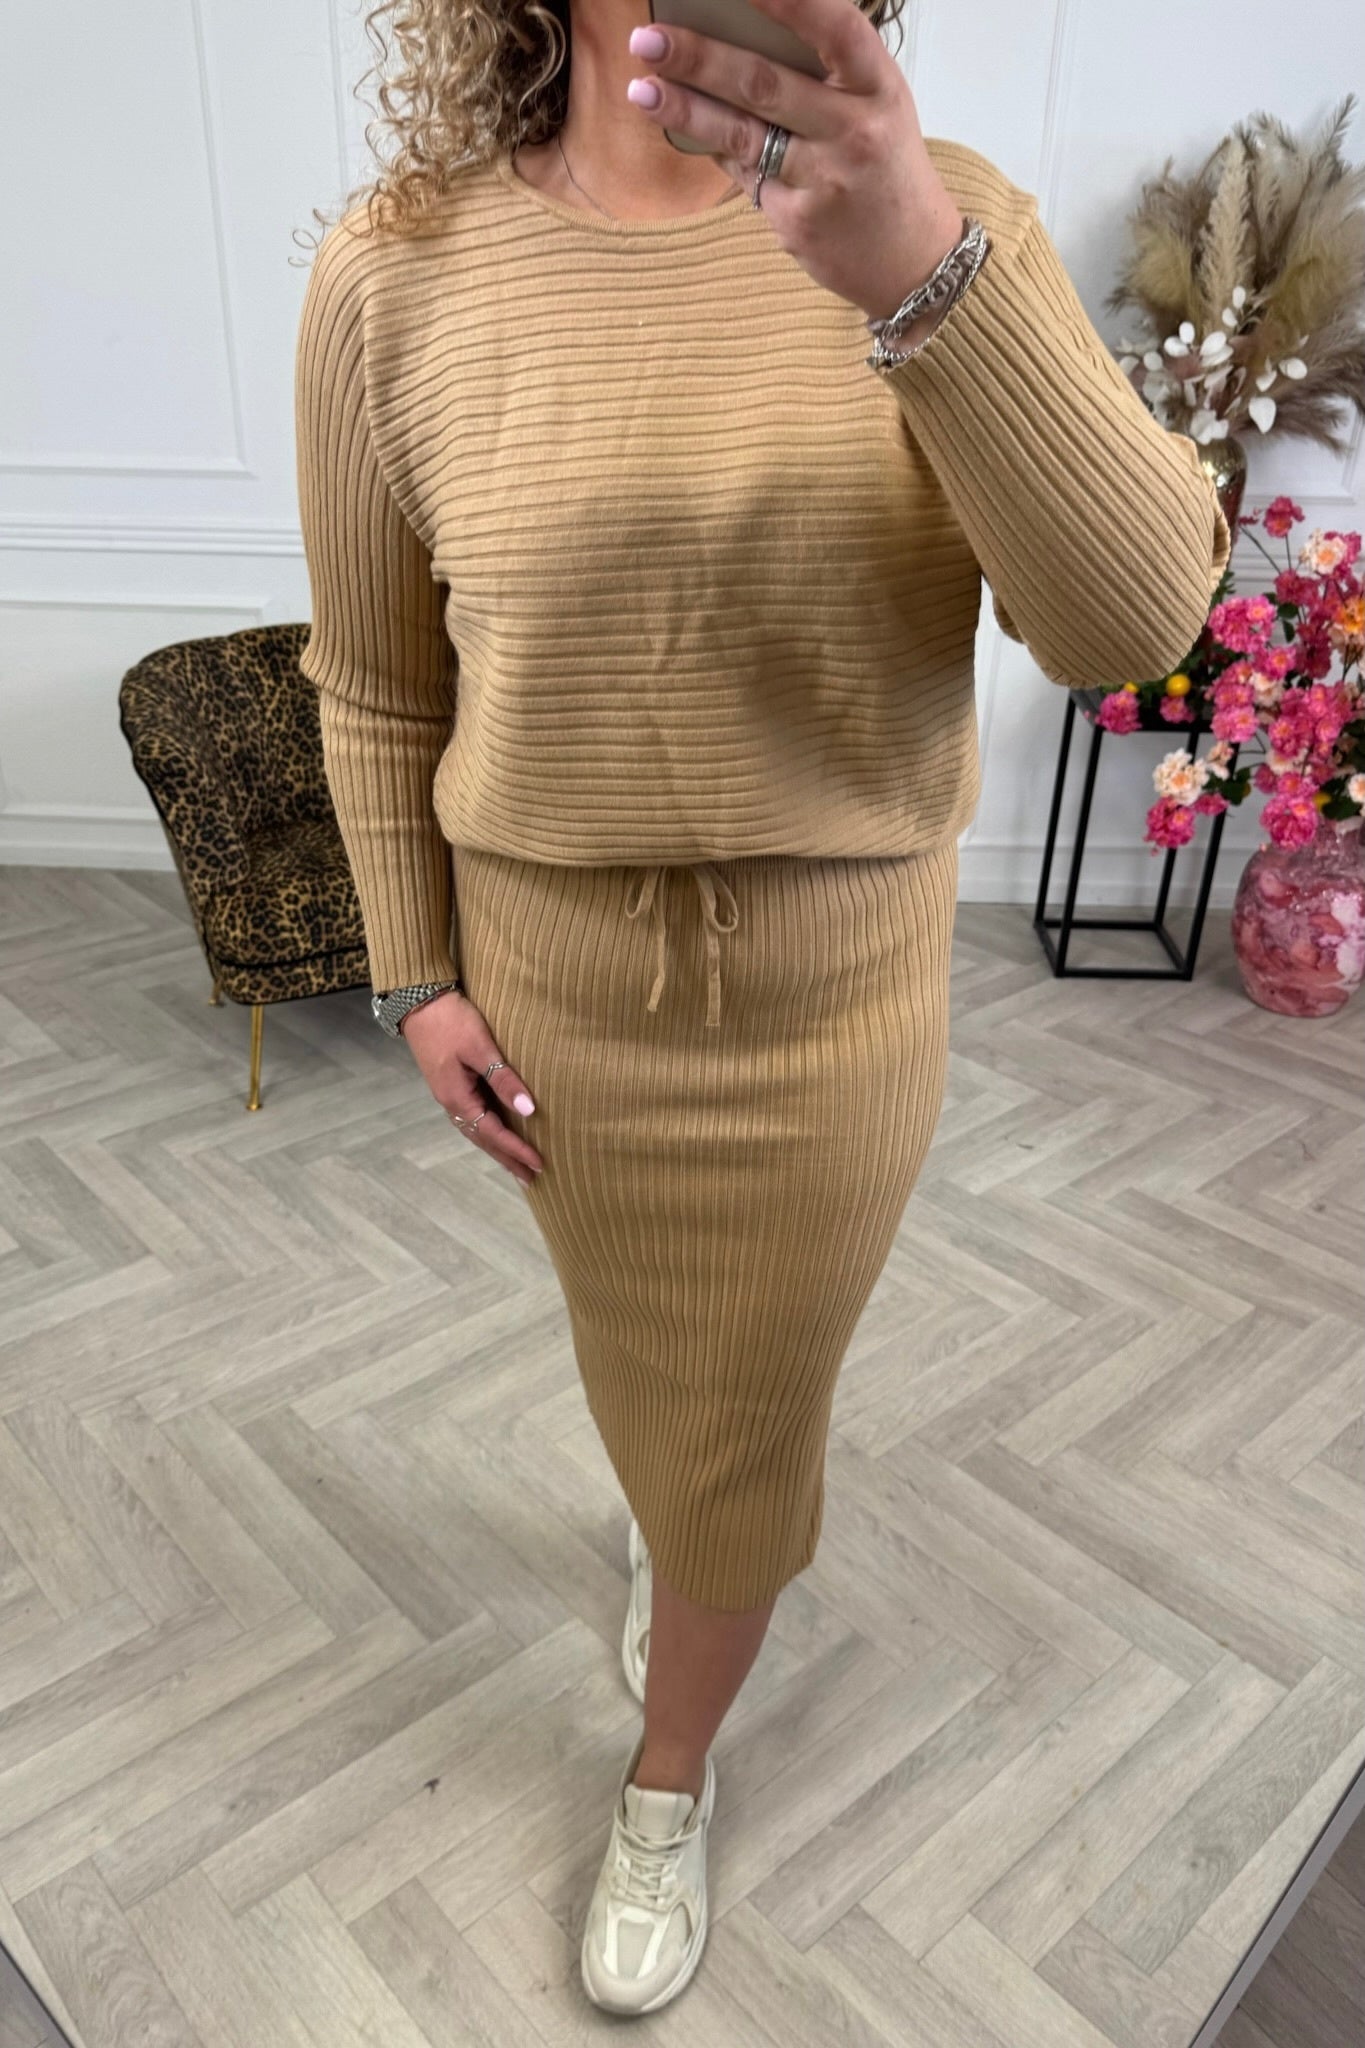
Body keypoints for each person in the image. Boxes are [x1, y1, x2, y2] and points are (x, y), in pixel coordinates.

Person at [293, 0, 1230, 2017]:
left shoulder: (942, 220)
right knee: (648, 1369)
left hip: (833, 1014)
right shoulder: (397, 270)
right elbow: (371, 681)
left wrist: (922, 280)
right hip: (553, 1000)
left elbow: (1131, 627)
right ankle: (676, 1524)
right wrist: (412, 976)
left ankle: (666, 1773)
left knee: (747, 1417)